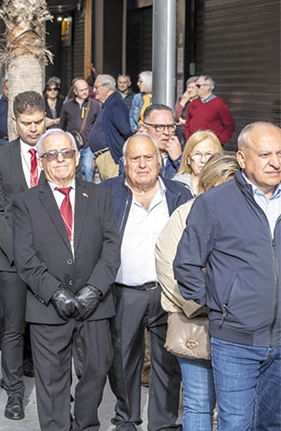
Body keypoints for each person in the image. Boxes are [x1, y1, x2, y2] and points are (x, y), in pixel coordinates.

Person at [175, 122, 281, 430]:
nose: (275, 162)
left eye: (279, 153)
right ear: (242, 159)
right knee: (236, 424)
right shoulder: (214, 203)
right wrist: (222, 302)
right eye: (264, 154)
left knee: (273, 424)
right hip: (235, 341)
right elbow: (186, 265)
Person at [12, 129, 119, 431]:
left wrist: (94, 290)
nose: (60, 160)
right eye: (52, 155)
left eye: (66, 153)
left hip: (95, 306)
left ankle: (85, 425)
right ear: (42, 161)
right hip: (48, 308)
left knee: (96, 372)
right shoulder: (26, 202)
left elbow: (112, 247)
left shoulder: (100, 196)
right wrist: (56, 293)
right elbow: (25, 257)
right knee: (51, 380)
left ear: (76, 157)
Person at [100, 133, 192, 431]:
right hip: (124, 292)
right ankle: (126, 419)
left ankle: (163, 423)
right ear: (123, 163)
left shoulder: (179, 195)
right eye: (134, 158)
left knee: (168, 361)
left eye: (148, 157)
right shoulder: (106, 192)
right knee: (123, 359)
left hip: (168, 293)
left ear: (160, 160)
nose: (142, 164)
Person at [155, 154, 239, 431]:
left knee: (237, 406)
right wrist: (205, 304)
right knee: (199, 402)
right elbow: (168, 266)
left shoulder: (251, 219)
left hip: (241, 325)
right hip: (196, 322)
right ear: (206, 185)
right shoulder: (185, 214)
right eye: (221, 187)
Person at [0, 90, 48, 420]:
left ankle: (53, 388)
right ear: (15, 122)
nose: (34, 129)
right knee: (12, 327)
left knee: (49, 326)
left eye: (39, 122)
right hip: (10, 259)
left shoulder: (57, 153)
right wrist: (20, 253)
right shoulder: (0, 157)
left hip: (50, 259)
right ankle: (14, 392)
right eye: (27, 123)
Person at [89, 74, 134, 181]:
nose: (94, 90)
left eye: (96, 87)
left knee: (111, 191)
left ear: (107, 87)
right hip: (104, 157)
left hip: (111, 158)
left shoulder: (115, 104)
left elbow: (125, 130)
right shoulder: (108, 104)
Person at [59, 77, 100, 182]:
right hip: (72, 145)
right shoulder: (67, 105)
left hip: (88, 145)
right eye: (81, 90)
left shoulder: (95, 105)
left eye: (86, 89)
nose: (85, 92)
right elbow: (62, 125)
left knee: (88, 168)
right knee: (71, 169)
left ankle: (88, 192)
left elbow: (98, 125)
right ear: (75, 91)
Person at [185, 75, 235, 145]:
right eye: (196, 86)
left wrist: (219, 141)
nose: (196, 88)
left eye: (198, 86)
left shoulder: (219, 104)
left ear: (208, 87)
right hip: (194, 143)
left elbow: (229, 125)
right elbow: (187, 124)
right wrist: (189, 140)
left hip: (212, 145)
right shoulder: (193, 103)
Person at [139, 104, 183, 179]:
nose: (166, 132)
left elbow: (193, 186)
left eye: (170, 127)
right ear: (144, 128)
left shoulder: (187, 157)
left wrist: (179, 160)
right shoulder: (133, 158)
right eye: (159, 127)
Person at [174, 130, 223, 195]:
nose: (203, 160)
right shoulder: (175, 186)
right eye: (197, 154)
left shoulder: (224, 187)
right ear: (188, 159)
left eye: (208, 154)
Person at [175, 77, 198, 141]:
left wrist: (184, 121)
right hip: (180, 134)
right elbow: (175, 116)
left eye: (192, 88)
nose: (189, 90)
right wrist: (182, 102)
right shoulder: (181, 100)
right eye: (188, 87)